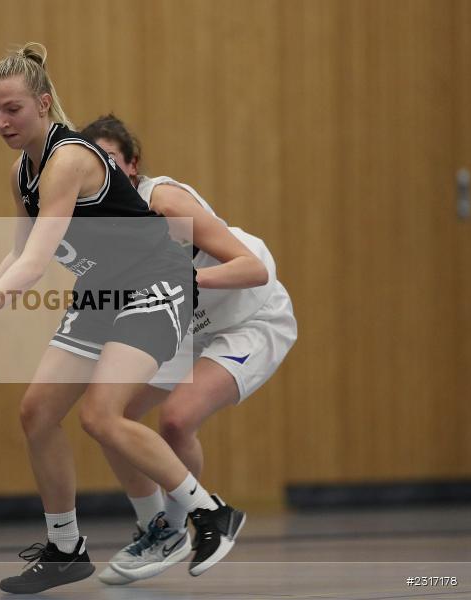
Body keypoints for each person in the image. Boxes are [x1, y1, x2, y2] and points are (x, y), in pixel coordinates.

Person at [0, 44, 245, 595]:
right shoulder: (23, 168)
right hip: (102, 291)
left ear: (44, 104)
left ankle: (210, 513)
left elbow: (39, 264)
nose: (1, 122)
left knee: (101, 415)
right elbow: (17, 253)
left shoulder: (69, 158)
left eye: (12, 109)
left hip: (154, 284)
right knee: (37, 413)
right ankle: (66, 547)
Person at [80, 114, 297, 584]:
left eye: (112, 162)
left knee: (177, 420)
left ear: (133, 165)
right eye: (93, 166)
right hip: (184, 323)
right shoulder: (99, 226)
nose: (103, 173)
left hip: (249, 317)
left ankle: (183, 521)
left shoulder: (163, 199)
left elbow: (251, 269)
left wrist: (183, 278)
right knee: (110, 418)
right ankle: (159, 528)